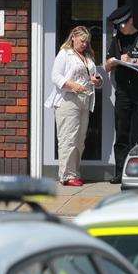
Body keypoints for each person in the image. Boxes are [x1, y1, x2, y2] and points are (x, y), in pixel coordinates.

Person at [103, 5, 138, 172]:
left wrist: (133, 61)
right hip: (123, 93)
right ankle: (120, 171)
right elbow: (106, 66)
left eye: (122, 25)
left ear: (130, 21)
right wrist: (113, 62)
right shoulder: (117, 40)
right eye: (117, 26)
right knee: (121, 133)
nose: (120, 29)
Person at [46, 25, 101, 186]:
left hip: (85, 100)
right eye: (82, 41)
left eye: (87, 41)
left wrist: (97, 81)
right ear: (73, 38)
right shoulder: (65, 54)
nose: (84, 44)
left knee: (79, 140)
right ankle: (66, 176)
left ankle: (75, 173)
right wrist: (73, 86)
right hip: (68, 100)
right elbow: (55, 76)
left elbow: (93, 76)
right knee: (68, 139)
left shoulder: (88, 56)